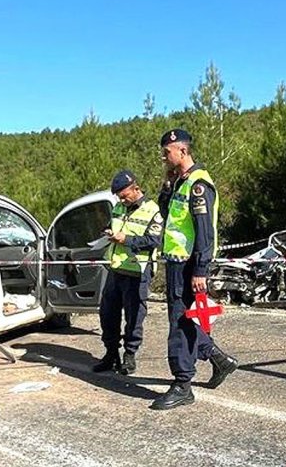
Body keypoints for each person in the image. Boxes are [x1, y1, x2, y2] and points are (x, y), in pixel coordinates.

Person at [150, 129, 238, 410]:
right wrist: (166, 187)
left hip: (189, 264)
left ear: (183, 151)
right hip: (177, 261)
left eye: (167, 152)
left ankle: (182, 384)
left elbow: (204, 232)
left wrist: (201, 269)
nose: (164, 157)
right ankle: (218, 359)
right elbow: (168, 217)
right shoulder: (180, 182)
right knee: (185, 319)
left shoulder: (199, 184)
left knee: (180, 323)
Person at [92, 170, 163, 376]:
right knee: (108, 315)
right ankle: (111, 354)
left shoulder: (153, 210)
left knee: (134, 318)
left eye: (124, 195)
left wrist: (126, 240)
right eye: (119, 197)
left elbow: (153, 241)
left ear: (136, 188)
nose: (122, 199)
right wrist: (107, 232)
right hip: (116, 269)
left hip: (137, 272)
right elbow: (112, 225)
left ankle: (129, 356)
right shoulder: (118, 208)